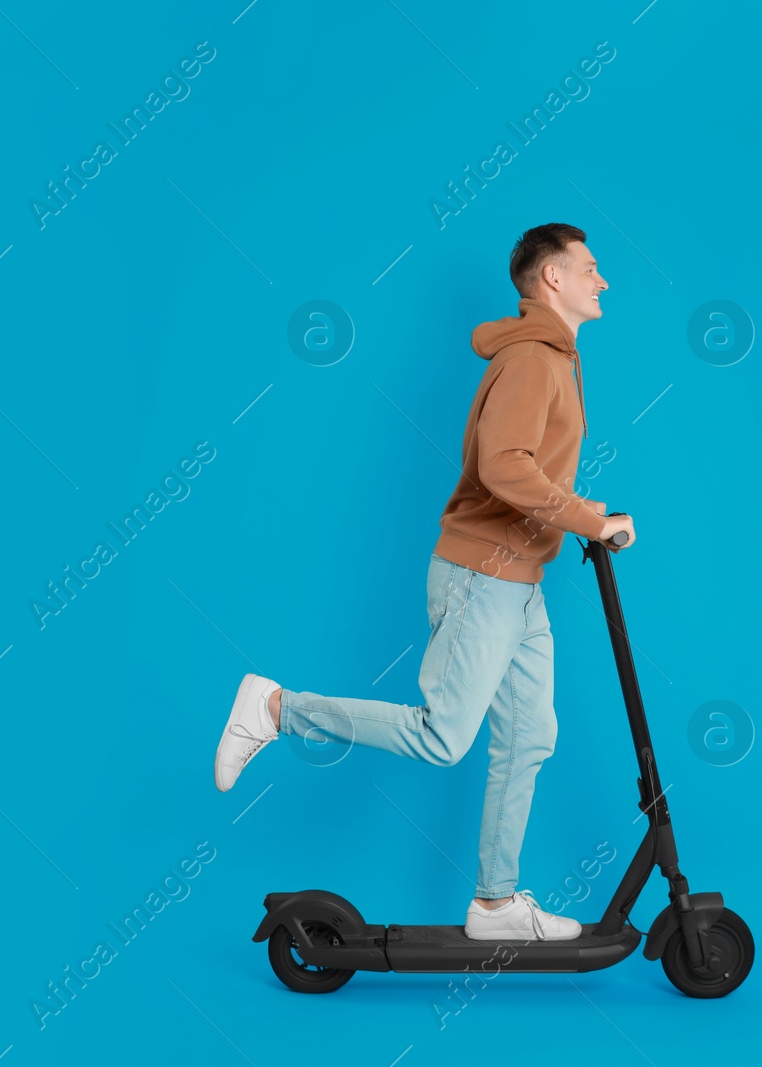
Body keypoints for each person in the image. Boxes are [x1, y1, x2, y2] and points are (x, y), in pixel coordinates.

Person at [213, 223, 634, 942]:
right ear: (552, 279)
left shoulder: (555, 358)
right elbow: (505, 466)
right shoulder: (536, 357)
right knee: (445, 737)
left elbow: (527, 467)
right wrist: (590, 519)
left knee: (530, 735)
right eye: (591, 268)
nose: (604, 280)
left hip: (519, 579)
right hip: (482, 574)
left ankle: (495, 905)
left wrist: (580, 515)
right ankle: (278, 707)